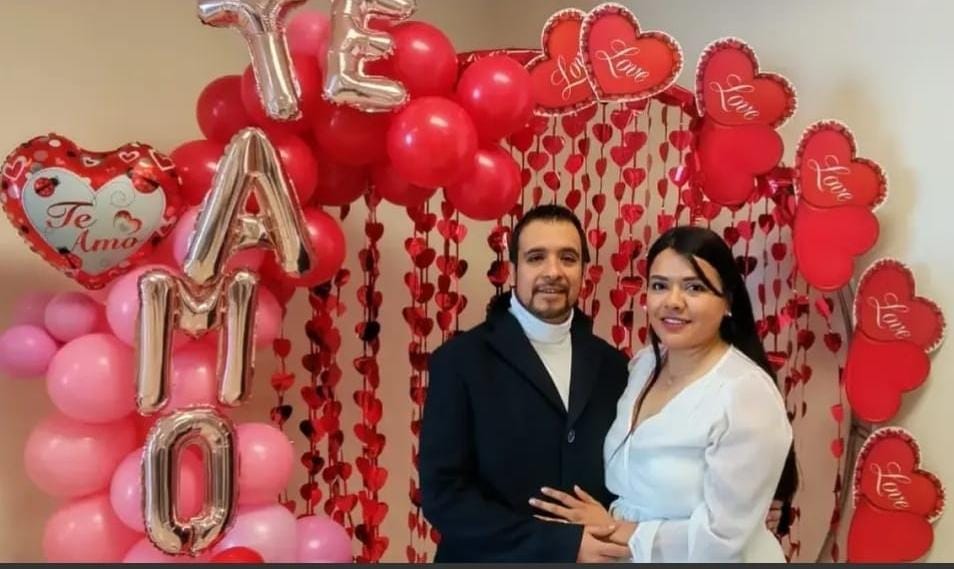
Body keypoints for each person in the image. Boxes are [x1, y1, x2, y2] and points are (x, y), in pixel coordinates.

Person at [530, 225, 798, 562]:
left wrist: (616, 529)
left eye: (694, 287)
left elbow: (720, 538)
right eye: (659, 285)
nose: (673, 302)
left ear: (728, 301)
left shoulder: (745, 393)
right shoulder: (642, 367)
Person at [419, 205, 632, 562]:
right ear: (513, 269)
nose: (553, 272)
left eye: (568, 258)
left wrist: (612, 522)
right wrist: (560, 544)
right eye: (536, 257)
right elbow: (444, 497)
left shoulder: (615, 366)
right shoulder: (459, 361)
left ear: (583, 270)